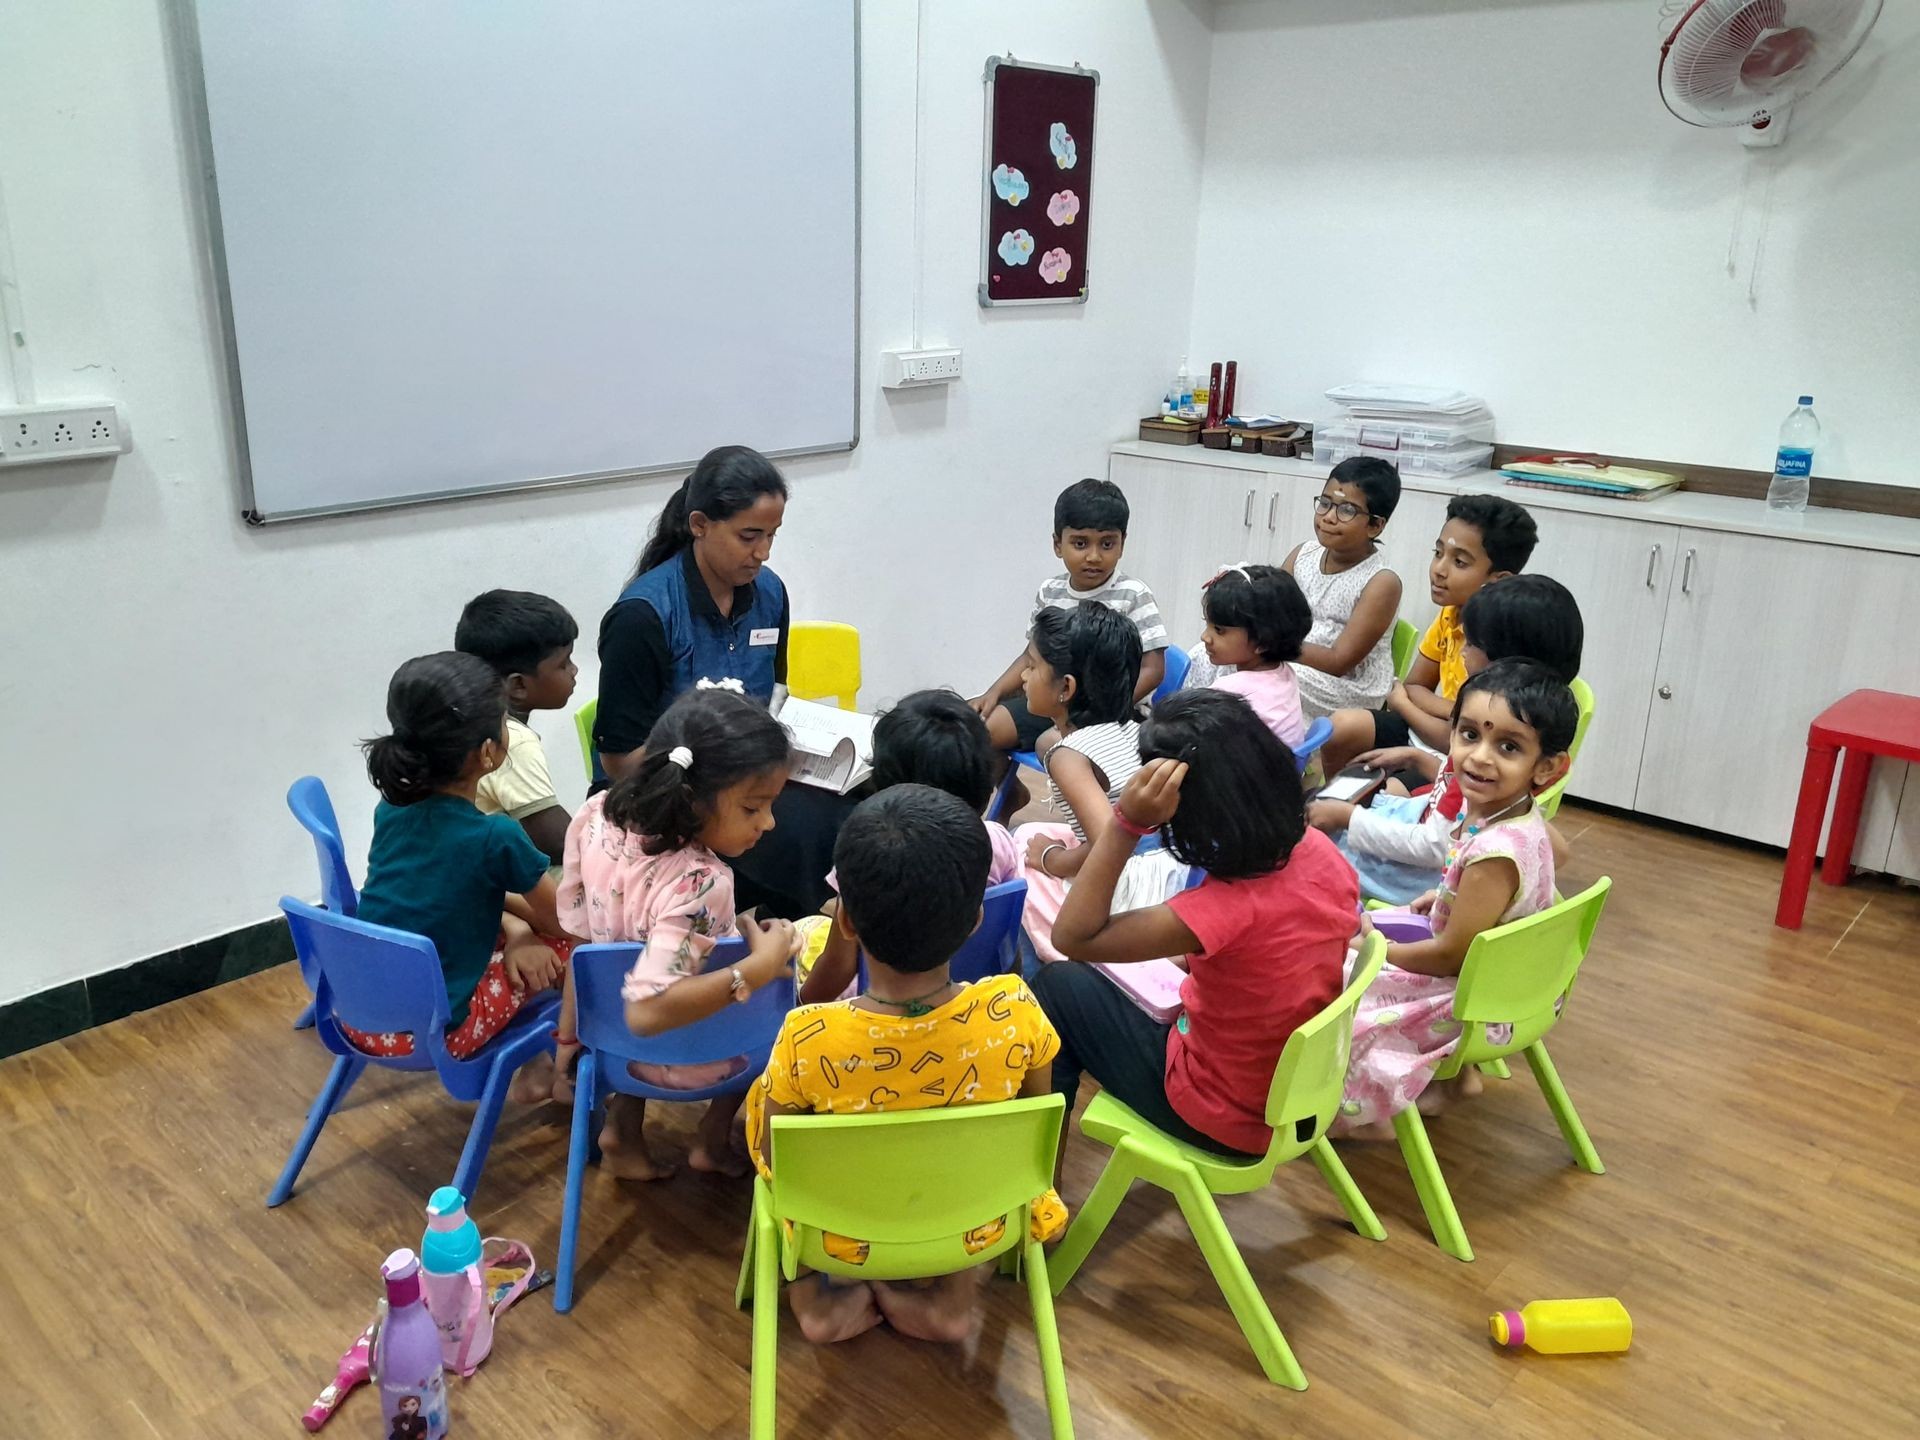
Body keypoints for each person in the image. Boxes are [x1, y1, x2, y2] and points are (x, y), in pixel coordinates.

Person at [746, 786, 1066, 1344]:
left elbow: (777, 1158)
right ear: (974, 922)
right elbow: (1036, 1126)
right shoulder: (1015, 1010)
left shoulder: (808, 1035)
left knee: (764, 1111)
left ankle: (819, 1296)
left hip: (841, 1224)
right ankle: (955, 1296)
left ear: (845, 922)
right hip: (972, 1216)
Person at [1030, 689, 1358, 1164]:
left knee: (1057, 988)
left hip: (1223, 1113)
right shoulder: (1320, 851)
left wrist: (1126, 824)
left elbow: (1072, 937)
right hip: (1299, 1096)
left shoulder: (1222, 910)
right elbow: (1273, 951)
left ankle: (1040, 1192)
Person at [590, 444, 845, 918]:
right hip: (665, 795)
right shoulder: (643, 617)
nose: (763, 553)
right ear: (699, 525)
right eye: (749, 536)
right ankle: (802, 953)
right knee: (803, 838)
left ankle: (832, 945)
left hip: (747, 781)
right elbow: (620, 760)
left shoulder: (769, 594)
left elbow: (773, 697)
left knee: (851, 812)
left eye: (772, 535)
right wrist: (723, 771)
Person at [558, 688, 800, 1179]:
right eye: (753, 808)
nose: (769, 823)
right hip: (695, 1056)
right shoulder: (702, 880)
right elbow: (648, 1012)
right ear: (691, 799)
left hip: (610, 1052)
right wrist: (759, 967)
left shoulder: (597, 815)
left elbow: (584, 946)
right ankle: (712, 1138)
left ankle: (623, 1134)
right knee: (790, 998)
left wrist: (567, 1035)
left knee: (631, 951)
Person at [1336, 660, 1573, 1135]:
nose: (1480, 757)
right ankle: (1457, 1082)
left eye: (1507, 746)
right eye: (1469, 735)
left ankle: (1349, 1114)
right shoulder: (1520, 819)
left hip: (1471, 1002)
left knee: (1335, 989)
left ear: (1547, 767)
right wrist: (1445, 895)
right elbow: (1521, 888)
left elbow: (1449, 956)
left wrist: (1373, 953)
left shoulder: (1495, 853)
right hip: (1508, 985)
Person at [345, 653, 572, 1102]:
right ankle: (565, 1069)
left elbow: (448, 898)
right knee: (585, 944)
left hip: (362, 1014)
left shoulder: (391, 808)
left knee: (520, 938)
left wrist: (516, 927)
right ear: (489, 752)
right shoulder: (494, 836)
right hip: (438, 1031)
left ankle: (537, 1065)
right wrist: (523, 924)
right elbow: (566, 923)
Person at [1308, 574, 1583, 902]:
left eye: (1472, 645)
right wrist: (1419, 759)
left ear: (1504, 661)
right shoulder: (1516, 733)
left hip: (1425, 873)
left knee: (1314, 849)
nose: (1463, 653)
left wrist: (1349, 818)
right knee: (1328, 813)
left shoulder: (1490, 740)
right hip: (1433, 829)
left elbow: (1435, 845)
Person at [798, 689, 1022, 1004]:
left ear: (885, 786)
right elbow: (1006, 928)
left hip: (875, 998)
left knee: (801, 932)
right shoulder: (1000, 841)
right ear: (983, 784)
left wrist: (800, 1007)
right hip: (960, 988)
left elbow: (839, 966)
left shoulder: (867, 854)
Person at [1319, 492, 1539, 774]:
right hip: (1432, 730)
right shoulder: (1449, 613)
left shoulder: (1500, 642)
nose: (1439, 570)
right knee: (1341, 727)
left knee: (1393, 789)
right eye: (1438, 554)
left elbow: (1462, 737)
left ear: (1499, 580)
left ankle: (1357, 808)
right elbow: (1413, 686)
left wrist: (1410, 707)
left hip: (1462, 761)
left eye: (1459, 562)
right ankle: (1336, 802)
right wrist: (1449, 710)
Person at [970, 478, 1168, 752]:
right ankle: (1010, 792)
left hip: (1116, 716)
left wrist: (1105, 712)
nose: (1094, 556)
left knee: (1053, 745)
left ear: (1122, 543)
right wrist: (994, 692)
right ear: (1057, 544)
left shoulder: (1134, 594)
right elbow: (1031, 657)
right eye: (1080, 543)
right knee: (979, 727)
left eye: (1107, 544)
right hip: (1053, 704)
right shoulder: (1050, 591)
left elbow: (1153, 669)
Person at [1008, 604, 1145, 964]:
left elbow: (1109, 844)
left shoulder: (1070, 755)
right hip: (1156, 868)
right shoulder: (1133, 729)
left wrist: (1052, 860)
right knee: (1028, 833)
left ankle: (1046, 969)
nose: (1023, 675)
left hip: (1121, 890)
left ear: (1065, 688)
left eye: (1033, 665)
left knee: (1018, 872)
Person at [454, 588, 580, 865]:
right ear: (518, 685)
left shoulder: (459, 721)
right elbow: (558, 842)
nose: (574, 670)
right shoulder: (512, 740)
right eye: (563, 663)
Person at [1282, 458, 1405, 720]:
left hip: (1347, 687)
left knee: (1265, 676)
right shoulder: (1302, 555)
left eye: (1347, 510)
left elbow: (1339, 662)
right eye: (1325, 503)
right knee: (1215, 653)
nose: (1328, 517)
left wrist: (1271, 645)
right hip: (1294, 659)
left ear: (1375, 525)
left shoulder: (1381, 582)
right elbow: (1269, 605)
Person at [1195, 563, 1312, 751]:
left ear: (1262, 641)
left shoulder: (1228, 693)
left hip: (1247, 778)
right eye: (1207, 624)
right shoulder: (1284, 672)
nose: (1205, 637)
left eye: (1219, 630)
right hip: (1278, 774)